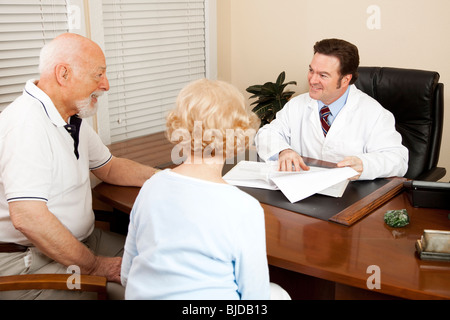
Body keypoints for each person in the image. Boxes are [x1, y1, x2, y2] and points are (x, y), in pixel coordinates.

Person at [0, 33, 158, 299]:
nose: (106, 85)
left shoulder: (71, 117)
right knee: (145, 291)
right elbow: (28, 218)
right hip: (27, 262)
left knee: (163, 263)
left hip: (82, 242)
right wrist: (96, 266)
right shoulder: (25, 125)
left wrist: (165, 179)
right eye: (98, 75)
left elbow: (109, 167)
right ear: (63, 74)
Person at [121, 79, 290, 300]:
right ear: (238, 135)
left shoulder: (151, 186)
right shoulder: (244, 207)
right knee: (279, 294)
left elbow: (126, 274)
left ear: (178, 128)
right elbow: (254, 296)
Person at [255, 38, 408, 180]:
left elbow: (397, 159)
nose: (313, 80)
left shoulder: (373, 113)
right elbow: (267, 134)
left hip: (351, 195)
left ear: (345, 80)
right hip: (304, 189)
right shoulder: (296, 105)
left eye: (323, 75)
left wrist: (364, 164)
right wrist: (283, 151)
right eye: (311, 70)